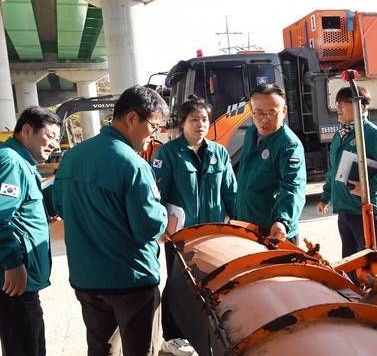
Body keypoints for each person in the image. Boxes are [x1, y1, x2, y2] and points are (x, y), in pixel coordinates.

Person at [53, 85, 169, 356]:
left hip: (87, 280)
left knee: (101, 349)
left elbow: (60, 206)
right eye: (152, 127)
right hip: (131, 281)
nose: (152, 136)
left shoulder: (71, 158)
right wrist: (165, 214)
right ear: (131, 119)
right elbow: (148, 227)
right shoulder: (133, 164)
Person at [152, 96, 236, 356]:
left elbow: (231, 191)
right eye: (194, 120)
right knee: (179, 286)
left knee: (213, 284)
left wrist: (239, 224)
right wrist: (161, 229)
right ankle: (174, 335)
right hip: (180, 237)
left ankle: (212, 332)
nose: (200, 125)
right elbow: (157, 197)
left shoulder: (219, 152)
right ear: (182, 123)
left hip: (213, 235)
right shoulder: (167, 153)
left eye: (204, 120)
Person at [0, 107, 60, 356]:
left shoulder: (21, 162)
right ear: (27, 130)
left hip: (21, 282)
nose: (55, 145)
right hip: (14, 283)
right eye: (51, 136)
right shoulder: (12, 161)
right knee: (26, 347)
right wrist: (12, 263)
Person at [317, 86, 377, 257]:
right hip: (344, 210)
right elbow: (333, 170)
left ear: (360, 106)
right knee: (350, 264)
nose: (337, 108)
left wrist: (367, 187)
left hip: (365, 211)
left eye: (343, 104)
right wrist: (325, 198)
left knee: (371, 263)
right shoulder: (340, 134)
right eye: (337, 104)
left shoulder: (372, 134)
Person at [235, 84, 306, 244]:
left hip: (274, 232)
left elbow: (293, 188)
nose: (264, 119)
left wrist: (283, 221)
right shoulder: (251, 133)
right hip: (248, 226)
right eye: (258, 113)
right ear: (250, 110)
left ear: (284, 111)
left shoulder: (289, 145)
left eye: (272, 113)